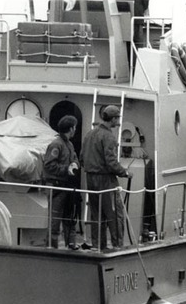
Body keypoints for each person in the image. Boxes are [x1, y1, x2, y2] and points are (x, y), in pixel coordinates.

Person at [81, 105, 133, 250]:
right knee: (115, 214)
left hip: (90, 179)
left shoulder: (89, 134)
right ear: (114, 119)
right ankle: (117, 246)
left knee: (96, 215)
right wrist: (125, 172)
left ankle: (98, 246)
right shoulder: (108, 136)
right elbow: (111, 162)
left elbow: (81, 158)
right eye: (118, 118)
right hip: (106, 181)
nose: (119, 121)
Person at [43, 115, 80, 249]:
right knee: (54, 221)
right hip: (56, 188)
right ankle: (52, 248)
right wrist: (66, 169)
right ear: (71, 128)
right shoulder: (56, 145)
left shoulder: (69, 145)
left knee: (70, 219)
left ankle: (71, 245)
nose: (75, 129)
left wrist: (75, 165)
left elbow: (75, 159)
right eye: (74, 127)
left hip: (66, 187)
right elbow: (48, 165)